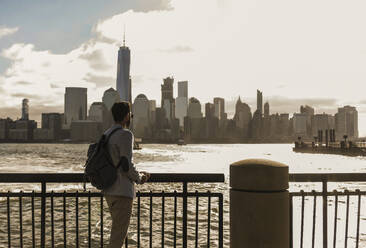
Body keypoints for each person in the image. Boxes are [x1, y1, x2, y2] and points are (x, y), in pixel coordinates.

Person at [104, 101, 150, 248]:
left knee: (118, 233)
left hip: (109, 190)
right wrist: (140, 178)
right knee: (117, 238)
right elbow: (126, 165)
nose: (131, 117)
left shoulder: (107, 134)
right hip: (122, 191)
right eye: (130, 114)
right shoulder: (125, 134)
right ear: (125, 117)